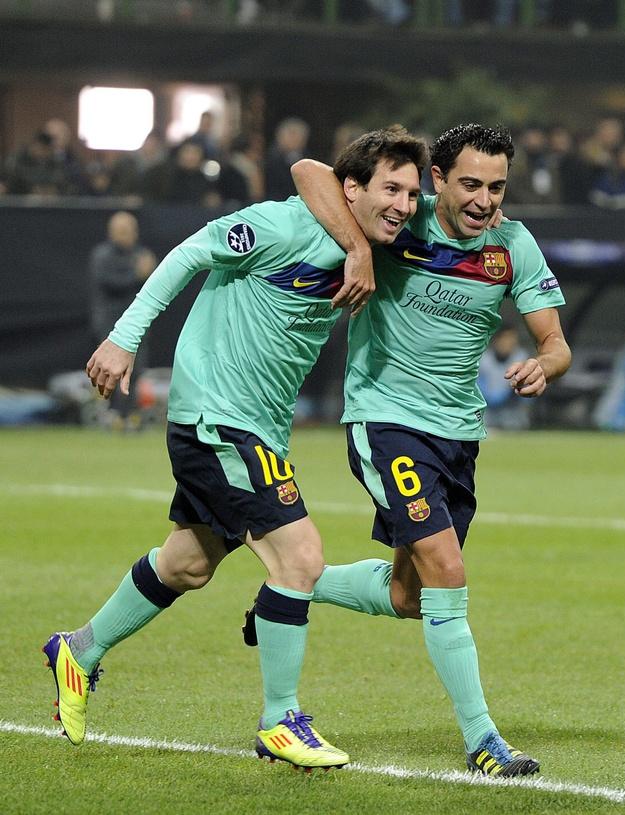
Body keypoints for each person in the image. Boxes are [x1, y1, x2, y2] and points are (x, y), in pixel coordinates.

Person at [43, 127, 429, 770]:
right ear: (352, 188)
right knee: (300, 557)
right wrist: (122, 339)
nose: (404, 204)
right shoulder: (280, 226)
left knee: (187, 565)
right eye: (390, 188)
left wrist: (365, 243)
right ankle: (280, 722)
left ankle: (77, 651)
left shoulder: (378, 237)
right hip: (219, 420)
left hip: (257, 427)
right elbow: (189, 254)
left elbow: (337, 181)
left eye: (412, 193)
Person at [254, 123, 571, 777]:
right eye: (471, 184)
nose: (485, 200)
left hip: (459, 434)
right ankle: (484, 740)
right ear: (437, 180)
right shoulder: (402, 216)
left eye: (497, 186)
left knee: (409, 595)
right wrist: (358, 248)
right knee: (446, 568)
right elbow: (308, 170)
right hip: (386, 421)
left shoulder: (511, 246)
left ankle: (290, 589)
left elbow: (556, 341)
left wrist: (547, 362)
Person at [88, 211, 157, 427]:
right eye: (122, 231)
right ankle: (110, 413)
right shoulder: (103, 255)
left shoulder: (141, 254)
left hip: (137, 324)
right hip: (110, 322)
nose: (127, 235)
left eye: (130, 231)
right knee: (109, 370)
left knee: (137, 369)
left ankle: (130, 414)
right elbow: (110, 283)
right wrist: (137, 273)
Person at [478, 324, 532, 430]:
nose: (508, 343)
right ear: (496, 340)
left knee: (514, 423)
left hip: (512, 410)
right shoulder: (484, 359)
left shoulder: (521, 358)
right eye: (505, 339)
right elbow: (479, 386)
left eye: (512, 339)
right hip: (487, 410)